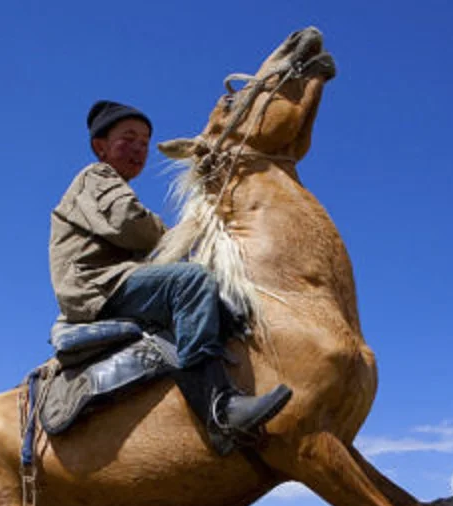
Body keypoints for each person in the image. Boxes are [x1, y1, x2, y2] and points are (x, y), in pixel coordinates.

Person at [49, 100, 291, 455]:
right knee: (190, 281)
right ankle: (219, 408)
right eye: (128, 138)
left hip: (119, 280)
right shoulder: (96, 177)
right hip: (98, 286)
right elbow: (129, 224)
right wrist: (180, 233)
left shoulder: (113, 184)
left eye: (145, 142)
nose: (139, 148)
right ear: (100, 146)